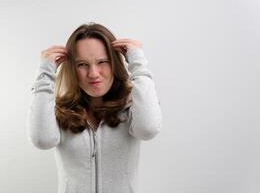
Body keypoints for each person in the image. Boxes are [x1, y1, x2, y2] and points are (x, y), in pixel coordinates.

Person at [26, 22, 162, 193]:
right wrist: (45, 73)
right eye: (82, 64)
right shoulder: (60, 109)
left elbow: (148, 129)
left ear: (114, 64)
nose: (93, 74)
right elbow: (42, 140)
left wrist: (138, 64)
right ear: (72, 68)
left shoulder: (134, 105)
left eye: (102, 62)